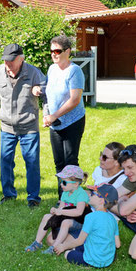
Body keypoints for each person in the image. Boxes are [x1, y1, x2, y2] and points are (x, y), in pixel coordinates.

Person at [0, 43, 46, 208]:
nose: (8, 64)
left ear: (21, 59)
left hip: (29, 126)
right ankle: (9, 195)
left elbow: (47, 93)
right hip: (7, 127)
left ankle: (33, 198)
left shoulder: (33, 73)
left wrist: (46, 111)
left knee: (32, 162)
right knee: (5, 161)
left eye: (11, 61)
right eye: (5, 60)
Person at [43, 35, 86, 197]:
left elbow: (75, 100)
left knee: (70, 161)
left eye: (57, 51)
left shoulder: (75, 71)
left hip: (73, 121)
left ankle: (73, 197)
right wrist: (46, 114)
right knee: (59, 162)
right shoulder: (52, 69)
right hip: (55, 122)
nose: (54, 54)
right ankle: (62, 196)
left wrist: (54, 115)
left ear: (67, 51)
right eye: (52, 51)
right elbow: (48, 94)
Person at [25, 165, 90, 255]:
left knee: (66, 222)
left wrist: (61, 211)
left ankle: (53, 248)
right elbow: (61, 208)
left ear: (75, 184)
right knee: (46, 216)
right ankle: (37, 242)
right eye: (60, 181)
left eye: (64, 182)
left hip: (79, 222)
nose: (61, 184)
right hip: (66, 218)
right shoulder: (65, 193)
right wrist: (56, 211)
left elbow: (79, 212)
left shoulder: (81, 194)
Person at [54, 184, 121, 268]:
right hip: (108, 260)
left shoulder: (91, 217)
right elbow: (117, 244)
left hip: (93, 260)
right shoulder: (112, 219)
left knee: (68, 253)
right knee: (80, 246)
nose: (90, 195)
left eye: (93, 194)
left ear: (102, 200)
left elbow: (79, 241)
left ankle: (87, 265)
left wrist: (63, 246)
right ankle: (100, 257)